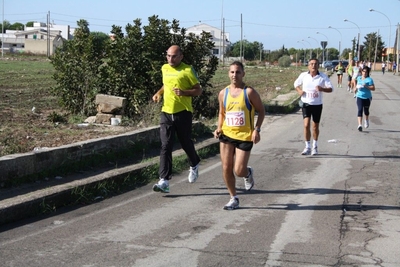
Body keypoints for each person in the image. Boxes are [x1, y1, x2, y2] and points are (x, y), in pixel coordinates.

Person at [213, 61, 265, 210]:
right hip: (227, 134)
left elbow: (261, 110)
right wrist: (218, 128)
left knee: (239, 170)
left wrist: (257, 129)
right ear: (228, 73)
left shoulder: (249, 92)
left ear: (243, 74)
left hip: (244, 136)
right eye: (232, 72)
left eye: (238, 72)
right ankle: (233, 198)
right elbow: (222, 113)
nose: (234, 75)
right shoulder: (224, 93)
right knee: (226, 167)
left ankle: (247, 173)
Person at [151, 45, 202, 193]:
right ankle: (164, 181)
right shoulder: (164, 68)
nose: (170, 59)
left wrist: (184, 92)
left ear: (181, 56)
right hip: (166, 111)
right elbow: (166, 85)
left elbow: (199, 90)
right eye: (168, 56)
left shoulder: (187, 70)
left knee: (185, 142)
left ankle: (194, 163)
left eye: (173, 56)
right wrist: (158, 93)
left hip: (183, 112)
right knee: (165, 145)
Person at [294, 58, 333, 156]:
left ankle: (315, 146)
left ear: (318, 65)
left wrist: (322, 89)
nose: (313, 66)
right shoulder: (304, 75)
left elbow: (331, 88)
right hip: (306, 103)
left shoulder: (322, 77)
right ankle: (307, 146)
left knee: (315, 127)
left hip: (317, 104)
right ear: (308, 65)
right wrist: (299, 91)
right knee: (306, 125)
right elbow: (296, 84)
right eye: (311, 64)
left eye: (315, 64)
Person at [354, 66, 375, 131]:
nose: (364, 73)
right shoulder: (359, 78)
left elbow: (373, 88)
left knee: (366, 111)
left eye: (366, 72)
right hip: (359, 96)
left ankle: (366, 120)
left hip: (367, 97)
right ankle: (360, 125)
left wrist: (366, 86)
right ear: (361, 72)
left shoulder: (369, 79)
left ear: (368, 73)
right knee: (360, 110)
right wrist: (355, 88)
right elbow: (355, 82)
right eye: (363, 71)